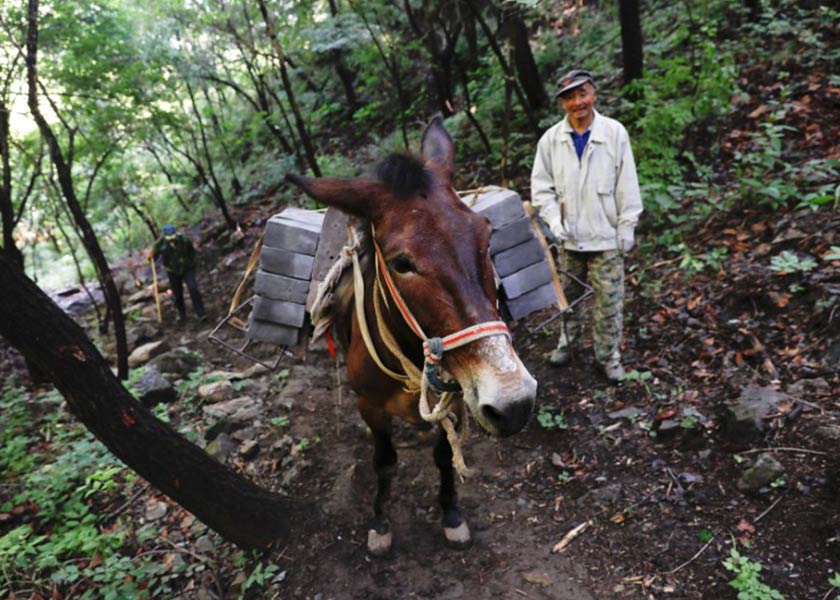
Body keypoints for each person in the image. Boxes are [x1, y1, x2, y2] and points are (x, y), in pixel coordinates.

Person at [530, 69, 643, 383]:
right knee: (568, 300)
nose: (577, 102)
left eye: (582, 94)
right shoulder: (551, 140)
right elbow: (541, 189)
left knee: (609, 302)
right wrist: (553, 220)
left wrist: (627, 225)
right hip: (569, 240)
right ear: (563, 103)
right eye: (569, 97)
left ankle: (608, 358)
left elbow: (627, 182)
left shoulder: (614, 133)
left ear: (594, 94)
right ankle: (567, 345)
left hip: (606, 237)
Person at [149, 224, 206, 322]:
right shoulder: (160, 244)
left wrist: (192, 263)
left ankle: (201, 313)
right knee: (177, 294)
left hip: (187, 268)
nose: (171, 240)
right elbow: (153, 257)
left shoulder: (184, 240)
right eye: (169, 238)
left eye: (173, 237)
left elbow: (192, 252)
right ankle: (181, 314)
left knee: (193, 288)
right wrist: (150, 257)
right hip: (172, 271)